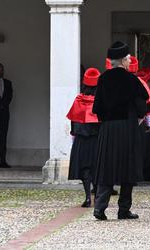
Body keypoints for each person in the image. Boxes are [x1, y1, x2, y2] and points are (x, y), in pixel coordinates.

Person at [92, 42, 148, 220]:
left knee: (106, 168)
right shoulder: (132, 80)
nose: (130, 61)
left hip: (108, 129)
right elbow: (142, 107)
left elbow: (97, 109)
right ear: (123, 61)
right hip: (127, 128)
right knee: (128, 168)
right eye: (129, 58)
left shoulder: (102, 79)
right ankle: (123, 209)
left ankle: (99, 208)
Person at [67, 68, 101, 207]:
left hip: (81, 139)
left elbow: (73, 120)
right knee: (97, 167)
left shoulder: (79, 100)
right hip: (97, 138)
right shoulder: (100, 101)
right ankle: (98, 195)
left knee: (84, 169)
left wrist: (74, 134)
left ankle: (88, 197)